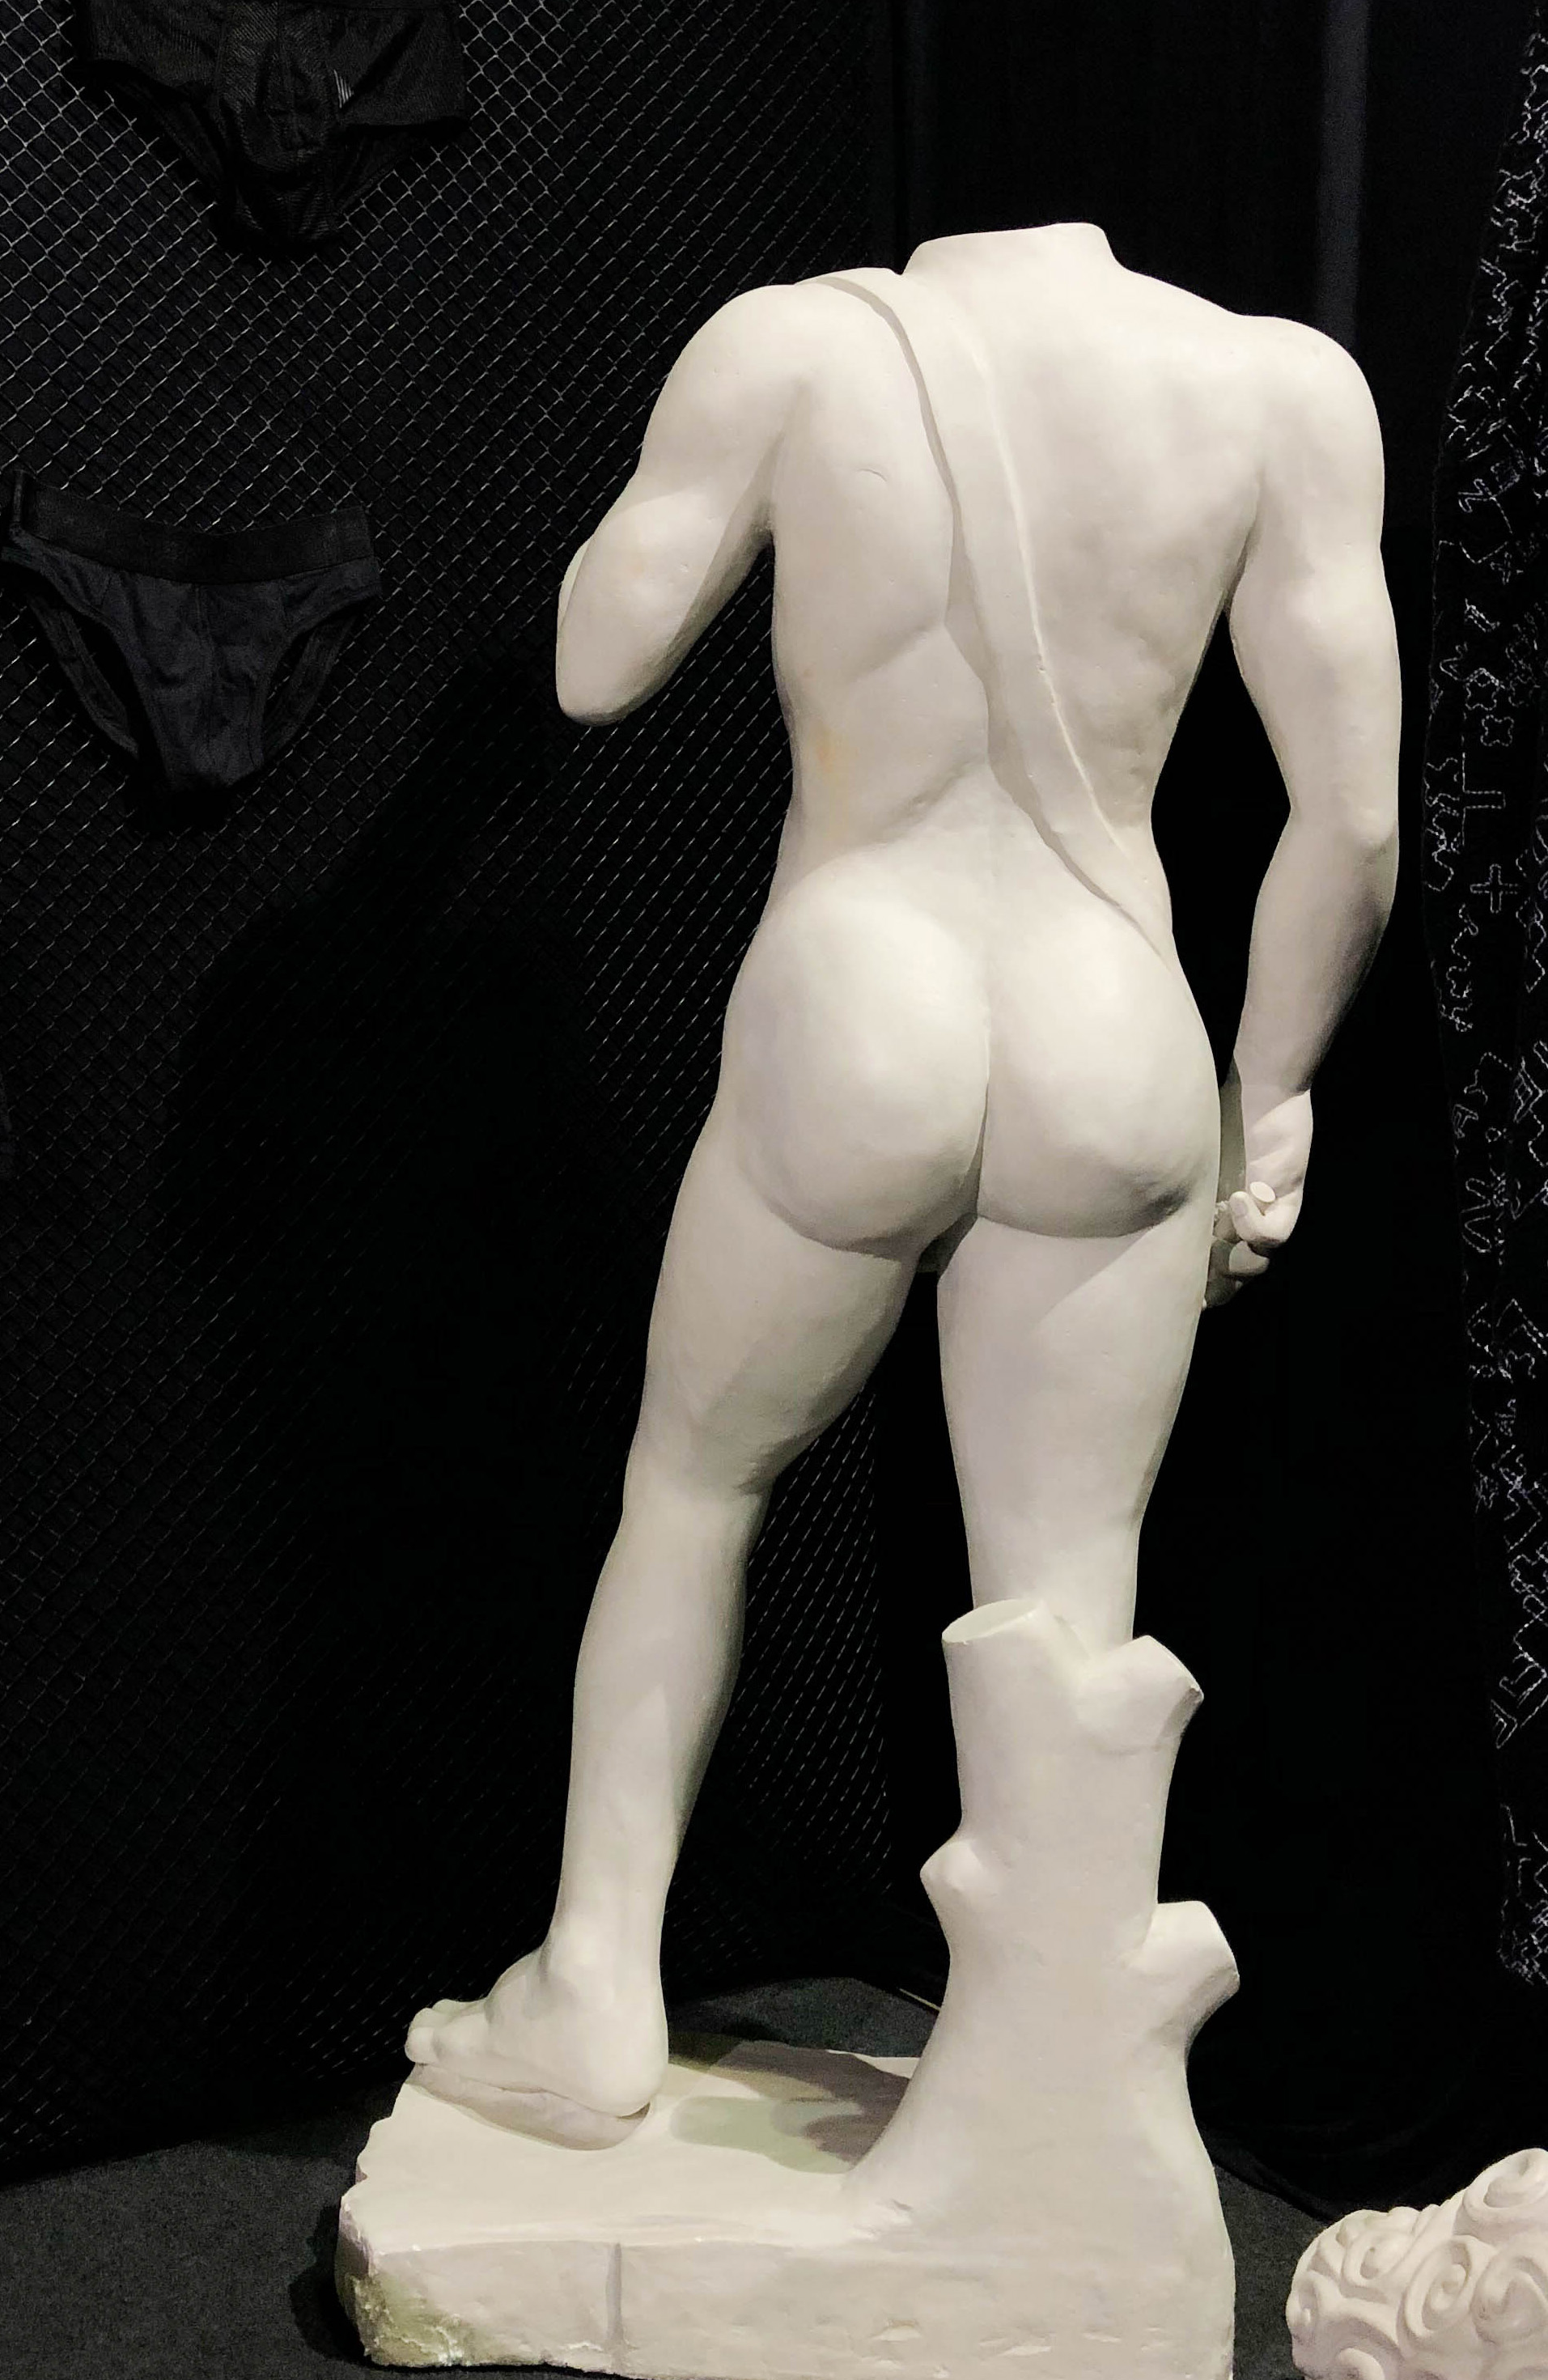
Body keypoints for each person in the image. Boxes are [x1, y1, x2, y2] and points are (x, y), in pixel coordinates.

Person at [408, 224, 1402, 2141]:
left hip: (862, 981)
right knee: (1061, 1600)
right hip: (1113, 1012)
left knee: (693, 1490)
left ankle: (596, 1987)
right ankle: (1042, 2085)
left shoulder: (791, 346)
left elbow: (596, 663)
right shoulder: (1279, 388)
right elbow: (1352, 820)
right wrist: (1270, 1085)